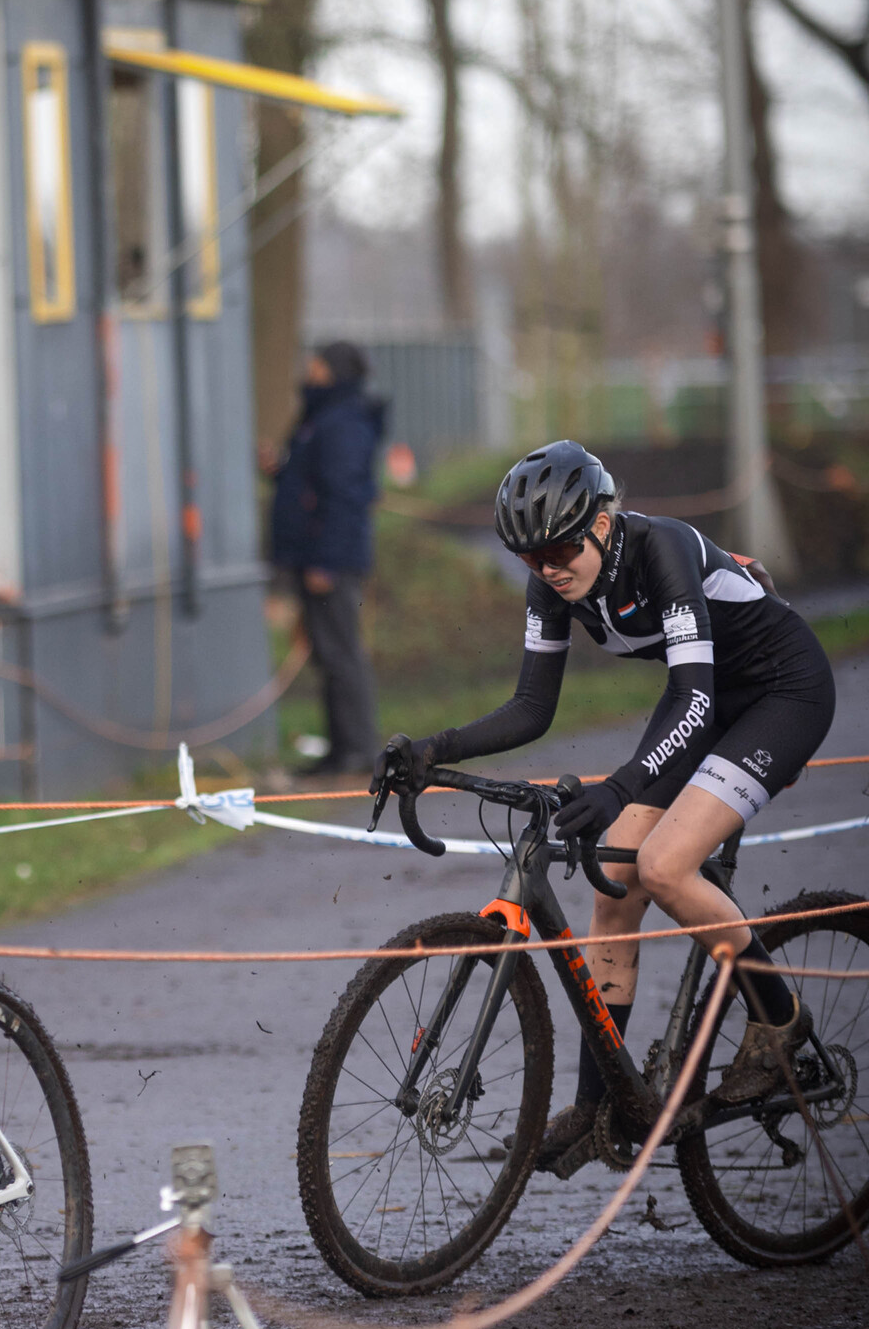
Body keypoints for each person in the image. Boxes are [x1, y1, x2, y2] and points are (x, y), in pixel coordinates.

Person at [374, 439, 836, 1177]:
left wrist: (619, 787)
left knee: (661, 864)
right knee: (611, 883)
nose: (549, 569)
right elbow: (531, 708)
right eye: (529, 558)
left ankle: (777, 1024)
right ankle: (598, 1106)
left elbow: (691, 697)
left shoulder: (663, 550)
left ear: (602, 522)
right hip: (708, 700)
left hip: (782, 694)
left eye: (559, 548)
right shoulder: (552, 586)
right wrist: (434, 750)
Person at [268, 339, 385, 778]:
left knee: (342, 653)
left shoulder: (344, 420)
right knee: (325, 654)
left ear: (332, 371)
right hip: (311, 556)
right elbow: (310, 480)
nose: (307, 371)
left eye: (315, 365)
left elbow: (343, 497)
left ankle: (357, 750)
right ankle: (339, 750)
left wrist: (328, 563)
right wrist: (280, 469)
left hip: (330, 563)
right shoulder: (320, 417)